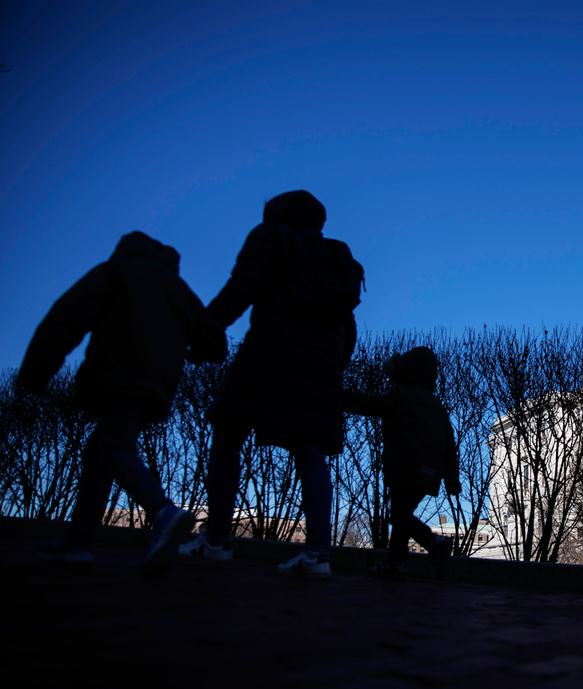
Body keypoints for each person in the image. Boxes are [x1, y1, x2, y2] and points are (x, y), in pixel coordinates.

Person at [18, 231, 227, 577]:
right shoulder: (179, 289)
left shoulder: (115, 272)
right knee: (100, 450)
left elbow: (65, 318)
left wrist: (35, 374)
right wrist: (194, 351)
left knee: (111, 447)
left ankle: (162, 511)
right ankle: (78, 542)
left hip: (115, 373)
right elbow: (215, 342)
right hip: (158, 385)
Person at [179, 190, 361, 579]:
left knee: (228, 434)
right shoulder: (336, 258)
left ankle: (215, 541)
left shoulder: (271, 236)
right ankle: (318, 554)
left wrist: (203, 333)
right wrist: (329, 367)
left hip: (268, 352)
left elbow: (240, 288)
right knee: (311, 452)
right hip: (320, 369)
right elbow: (348, 326)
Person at [340, 346, 460, 580]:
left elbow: (371, 405)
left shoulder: (400, 395)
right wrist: (450, 478)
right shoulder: (437, 406)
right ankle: (396, 561)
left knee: (399, 515)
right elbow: (449, 443)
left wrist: (340, 396)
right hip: (428, 473)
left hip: (405, 468)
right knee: (402, 513)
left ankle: (433, 543)